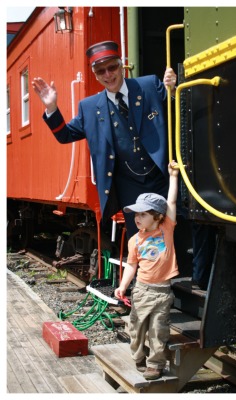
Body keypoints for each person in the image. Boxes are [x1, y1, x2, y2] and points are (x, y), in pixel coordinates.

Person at [32, 40, 213, 289]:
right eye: (101, 71)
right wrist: (52, 108)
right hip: (128, 184)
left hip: (161, 176)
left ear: (122, 66)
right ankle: (147, 291)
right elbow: (65, 135)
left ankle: (198, 281)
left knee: (192, 219)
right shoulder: (89, 107)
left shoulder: (149, 85)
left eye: (111, 67)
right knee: (143, 239)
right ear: (95, 74)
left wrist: (174, 88)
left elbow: (179, 110)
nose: (108, 75)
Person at [113, 160, 181, 380]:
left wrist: (173, 176)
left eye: (142, 214)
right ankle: (138, 355)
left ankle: (155, 364)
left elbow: (171, 200)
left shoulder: (166, 228)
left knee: (158, 332)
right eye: (135, 214)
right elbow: (132, 265)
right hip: (142, 290)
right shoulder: (135, 240)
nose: (137, 218)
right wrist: (123, 285)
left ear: (158, 216)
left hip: (162, 292)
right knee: (136, 330)